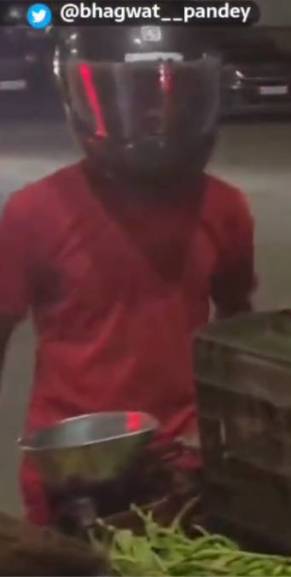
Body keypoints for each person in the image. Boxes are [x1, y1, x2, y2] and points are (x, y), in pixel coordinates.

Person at [0, 25, 256, 525]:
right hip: (74, 465)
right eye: (134, 96)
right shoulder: (35, 212)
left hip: (184, 462)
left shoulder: (224, 207)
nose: (153, 113)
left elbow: (236, 327)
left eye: (169, 94)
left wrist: (236, 434)